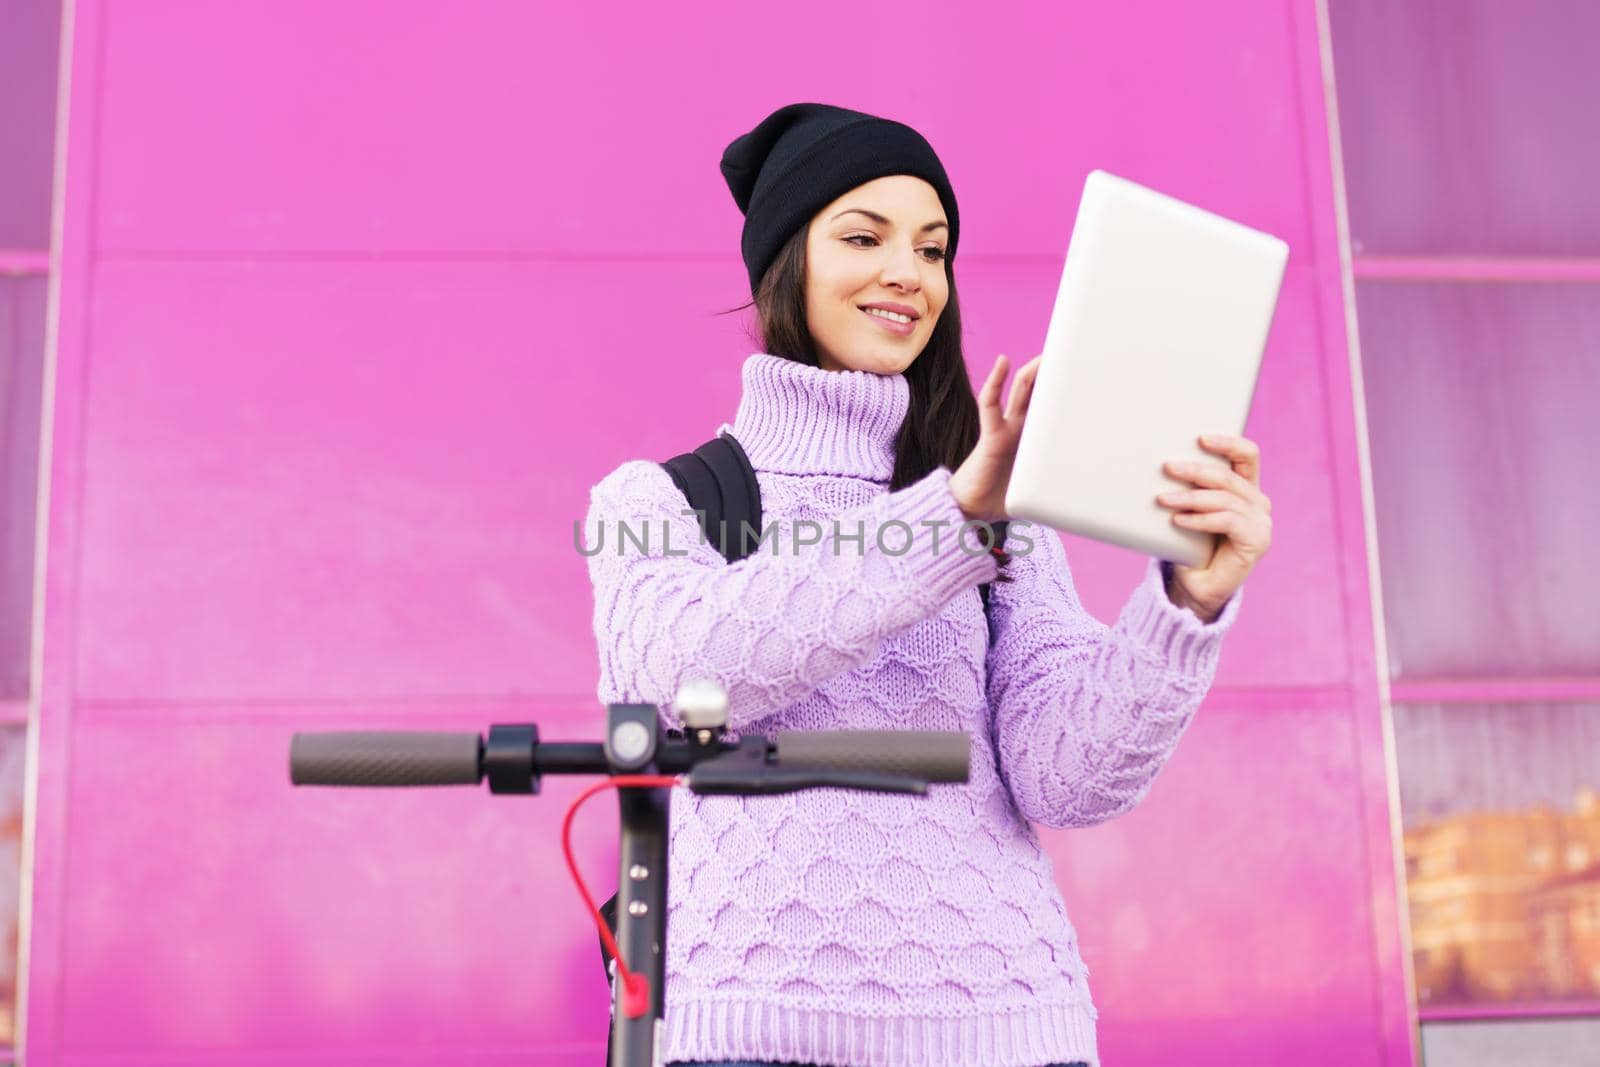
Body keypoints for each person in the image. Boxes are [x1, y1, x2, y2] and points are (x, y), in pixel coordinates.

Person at [582, 102, 1272, 1067]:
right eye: (863, 236)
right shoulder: (663, 498)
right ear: (787, 264)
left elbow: (1066, 778)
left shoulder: (1002, 514)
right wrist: (948, 521)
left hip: (1010, 1032)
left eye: (933, 247)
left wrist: (1186, 605)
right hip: (746, 1037)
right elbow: (683, 673)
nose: (908, 271)